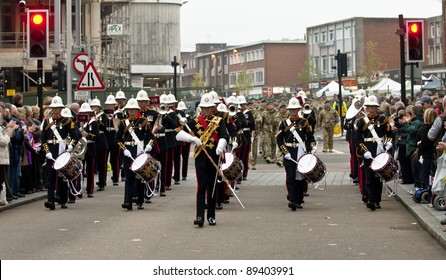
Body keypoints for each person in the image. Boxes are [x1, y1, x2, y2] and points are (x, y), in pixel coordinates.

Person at [176, 93, 229, 227]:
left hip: (214, 158)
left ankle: (211, 216)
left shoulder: (219, 121)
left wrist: (221, 146)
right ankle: (200, 216)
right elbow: (179, 135)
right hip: (201, 159)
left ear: (212, 108)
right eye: (203, 108)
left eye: (208, 108)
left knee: (212, 188)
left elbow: (225, 135)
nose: (206, 110)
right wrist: (192, 139)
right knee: (201, 188)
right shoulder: (195, 121)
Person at [276, 97, 316, 211]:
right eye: (292, 109)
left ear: (298, 109)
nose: (294, 111)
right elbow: (279, 139)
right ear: (289, 110)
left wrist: (312, 146)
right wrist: (285, 152)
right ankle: (292, 200)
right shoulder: (284, 123)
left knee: (300, 177)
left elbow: (310, 137)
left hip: (300, 151)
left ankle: (298, 199)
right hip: (289, 151)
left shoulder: (304, 122)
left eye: (295, 109)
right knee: (290, 177)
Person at [115, 98, 155, 210]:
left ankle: (140, 201)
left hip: (140, 150)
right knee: (129, 177)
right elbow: (117, 139)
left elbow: (150, 136)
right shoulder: (124, 123)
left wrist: (149, 145)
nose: (131, 111)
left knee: (140, 177)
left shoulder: (144, 121)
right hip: (128, 152)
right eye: (129, 109)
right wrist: (124, 149)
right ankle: (127, 202)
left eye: (133, 109)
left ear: (137, 109)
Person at [356, 95, 394, 211]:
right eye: (369, 107)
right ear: (366, 108)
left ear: (377, 107)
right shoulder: (362, 121)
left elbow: (390, 134)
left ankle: (377, 200)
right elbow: (358, 139)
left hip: (380, 150)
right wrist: (364, 151)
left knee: (378, 177)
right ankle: (371, 199)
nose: (371, 109)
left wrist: (389, 143)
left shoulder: (383, 120)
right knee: (369, 176)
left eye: (373, 106)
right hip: (368, 150)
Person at [41, 96, 79, 210]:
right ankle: (50, 200)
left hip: (62, 150)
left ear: (61, 108)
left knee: (62, 177)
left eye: (58, 108)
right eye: (54, 107)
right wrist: (47, 151)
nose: (56, 110)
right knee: (50, 176)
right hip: (51, 151)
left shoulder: (67, 121)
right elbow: (43, 139)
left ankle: (63, 200)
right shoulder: (47, 121)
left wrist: (71, 145)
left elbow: (75, 136)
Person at [77, 102, 99, 198]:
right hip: (81, 147)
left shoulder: (93, 123)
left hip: (90, 147)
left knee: (90, 170)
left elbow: (97, 135)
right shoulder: (78, 123)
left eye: (86, 113)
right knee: (79, 170)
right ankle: (79, 189)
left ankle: (90, 190)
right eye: (83, 113)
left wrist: (88, 135)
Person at [90, 98, 109, 191]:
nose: (94, 108)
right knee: (94, 163)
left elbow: (104, 128)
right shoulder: (90, 117)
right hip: (93, 141)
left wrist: (98, 121)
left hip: (101, 140)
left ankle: (102, 182)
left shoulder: (103, 116)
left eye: (95, 106)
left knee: (102, 163)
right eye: (92, 106)